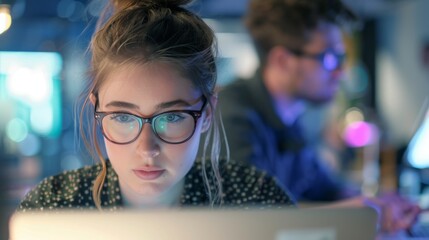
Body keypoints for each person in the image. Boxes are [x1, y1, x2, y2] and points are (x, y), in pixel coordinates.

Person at [17, 0, 294, 212]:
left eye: (172, 117)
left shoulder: (255, 199)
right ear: (97, 110)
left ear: (207, 113)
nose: (147, 148)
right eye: (123, 117)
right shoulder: (54, 206)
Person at [218, 0, 420, 233]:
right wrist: (355, 213)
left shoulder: (289, 120)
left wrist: (381, 203)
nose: (340, 71)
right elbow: (249, 220)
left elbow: (326, 188)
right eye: (329, 57)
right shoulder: (233, 119)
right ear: (282, 60)